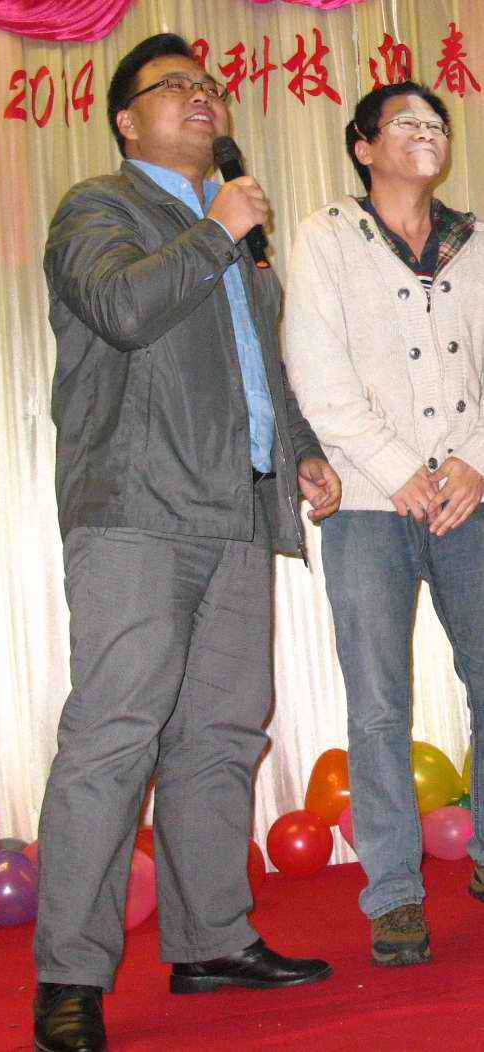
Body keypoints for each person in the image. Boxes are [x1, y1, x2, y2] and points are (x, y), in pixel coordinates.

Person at [33, 33, 341, 1052]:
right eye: (177, 87)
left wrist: (300, 449)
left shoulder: (231, 231)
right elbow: (124, 309)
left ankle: (212, 938)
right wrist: (216, 229)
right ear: (128, 120)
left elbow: (260, 365)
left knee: (221, 733)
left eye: (211, 85)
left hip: (240, 509)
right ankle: (70, 975)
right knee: (114, 734)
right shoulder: (99, 208)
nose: (205, 96)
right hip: (138, 508)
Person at [283, 81, 484, 967]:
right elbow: (315, 371)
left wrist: (475, 458)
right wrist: (397, 468)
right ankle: (395, 892)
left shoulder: (476, 240)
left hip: (471, 497)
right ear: (363, 147)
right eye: (406, 123)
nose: (425, 133)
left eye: (436, 124)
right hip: (369, 502)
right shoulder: (328, 237)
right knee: (377, 703)